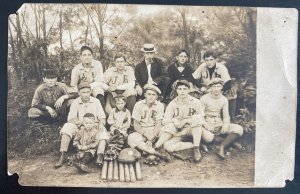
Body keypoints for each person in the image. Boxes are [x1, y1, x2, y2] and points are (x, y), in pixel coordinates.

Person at [54, 83, 108, 168]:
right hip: (80, 125)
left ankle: (100, 156)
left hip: (94, 125)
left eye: (88, 92)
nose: (86, 94)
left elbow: (102, 117)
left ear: (90, 92)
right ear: (79, 93)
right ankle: (63, 154)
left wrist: (101, 124)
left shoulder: (96, 101)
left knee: (103, 131)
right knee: (67, 127)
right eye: (83, 92)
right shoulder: (76, 102)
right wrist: (82, 124)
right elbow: (71, 118)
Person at [154, 80, 205, 162]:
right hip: (179, 131)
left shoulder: (196, 102)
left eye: (185, 89)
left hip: (192, 129)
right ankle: (194, 144)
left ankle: (196, 148)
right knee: (167, 146)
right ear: (176, 90)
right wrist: (174, 120)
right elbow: (165, 121)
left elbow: (202, 119)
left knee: (196, 119)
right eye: (180, 89)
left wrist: (186, 121)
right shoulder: (173, 103)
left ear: (189, 90)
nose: (182, 91)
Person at [199, 78, 243, 159]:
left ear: (221, 87)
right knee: (204, 134)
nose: (216, 89)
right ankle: (230, 142)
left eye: (218, 86)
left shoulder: (224, 99)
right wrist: (206, 125)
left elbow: (226, 116)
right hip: (207, 124)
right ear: (210, 88)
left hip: (218, 124)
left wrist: (225, 125)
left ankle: (222, 146)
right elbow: (200, 115)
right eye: (214, 86)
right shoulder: (204, 98)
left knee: (238, 128)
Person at [192, 50, 237, 118]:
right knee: (192, 90)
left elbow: (228, 83)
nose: (209, 62)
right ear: (204, 60)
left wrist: (218, 90)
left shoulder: (221, 67)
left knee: (231, 93)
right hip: (207, 90)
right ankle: (198, 115)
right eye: (207, 60)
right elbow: (192, 78)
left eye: (211, 60)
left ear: (215, 59)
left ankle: (230, 117)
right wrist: (201, 87)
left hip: (220, 89)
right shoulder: (203, 66)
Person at [127, 84, 167, 159]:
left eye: (153, 95)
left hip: (154, 130)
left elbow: (158, 123)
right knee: (131, 138)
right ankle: (154, 152)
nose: (151, 96)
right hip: (142, 130)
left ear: (157, 97)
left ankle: (146, 149)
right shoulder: (138, 105)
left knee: (165, 133)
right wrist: (146, 134)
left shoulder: (160, 105)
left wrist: (152, 136)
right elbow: (136, 124)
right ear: (145, 95)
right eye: (149, 94)